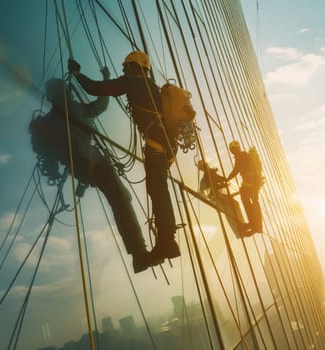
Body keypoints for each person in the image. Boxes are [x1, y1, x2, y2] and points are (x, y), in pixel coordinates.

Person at [37, 73, 158, 273]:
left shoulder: (50, 121)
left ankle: (138, 253)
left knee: (120, 199)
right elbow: (100, 106)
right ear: (63, 93)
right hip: (95, 164)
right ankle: (139, 253)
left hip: (82, 170)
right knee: (121, 200)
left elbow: (53, 153)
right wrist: (106, 78)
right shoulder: (73, 110)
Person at [67, 51, 180, 262]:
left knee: (157, 191)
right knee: (159, 190)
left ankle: (167, 241)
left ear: (133, 67)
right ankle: (168, 240)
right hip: (166, 146)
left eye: (126, 66)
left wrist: (76, 73)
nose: (123, 70)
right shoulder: (151, 86)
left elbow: (95, 89)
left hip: (156, 145)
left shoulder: (133, 81)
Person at [197, 160, 249, 238]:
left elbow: (220, 179)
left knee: (234, 207)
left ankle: (241, 227)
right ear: (203, 167)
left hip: (220, 197)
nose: (207, 166)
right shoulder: (206, 177)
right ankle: (239, 230)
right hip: (218, 198)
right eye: (205, 165)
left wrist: (225, 181)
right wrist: (222, 184)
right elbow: (204, 191)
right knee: (230, 212)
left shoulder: (210, 174)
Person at [225, 141, 263, 235]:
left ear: (234, 150)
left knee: (249, 202)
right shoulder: (244, 155)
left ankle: (255, 225)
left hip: (250, 182)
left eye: (232, 150)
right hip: (254, 181)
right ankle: (256, 225)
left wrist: (227, 178)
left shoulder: (241, 156)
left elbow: (236, 170)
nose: (232, 152)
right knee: (253, 202)